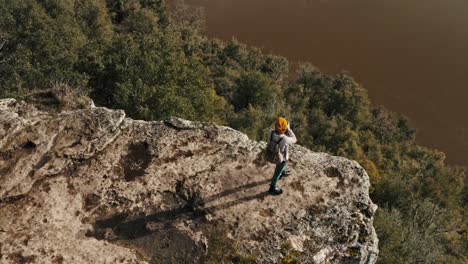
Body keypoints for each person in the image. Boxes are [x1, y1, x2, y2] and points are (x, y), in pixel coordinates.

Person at [268, 117, 297, 195]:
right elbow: (295, 139)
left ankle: (283, 172)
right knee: (277, 172)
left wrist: (284, 128)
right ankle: (272, 187)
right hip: (280, 157)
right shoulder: (285, 139)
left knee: (283, 164)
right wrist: (289, 129)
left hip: (273, 153)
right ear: (284, 128)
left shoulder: (270, 132)